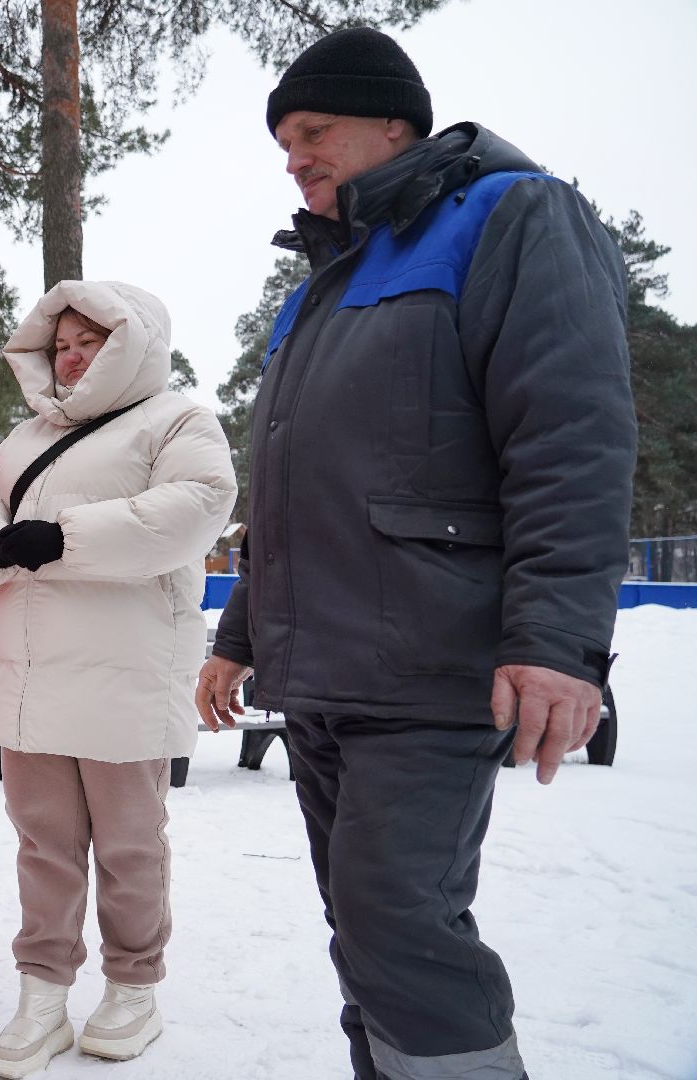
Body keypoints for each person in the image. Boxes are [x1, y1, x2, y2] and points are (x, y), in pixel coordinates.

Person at [195, 27, 636, 1080]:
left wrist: (560, 644)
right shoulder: (317, 290)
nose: (293, 155)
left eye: (313, 131)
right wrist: (239, 634)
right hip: (327, 671)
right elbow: (293, 492)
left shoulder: (509, 215)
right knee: (365, 932)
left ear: (396, 123)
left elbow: (571, 433)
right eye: (282, 141)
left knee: (401, 926)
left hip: (434, 659)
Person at [0, 283, 235, 1077]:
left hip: (126, 672)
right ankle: (42, 993)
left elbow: (196, 506)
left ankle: (132, 987)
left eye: (91, 342)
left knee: (129, 847)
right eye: (63, 345)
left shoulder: (179, 419)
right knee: (43, 846)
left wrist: (59, 539)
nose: (73, 357)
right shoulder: (26, 435)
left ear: (130, 345)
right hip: (32, 675)